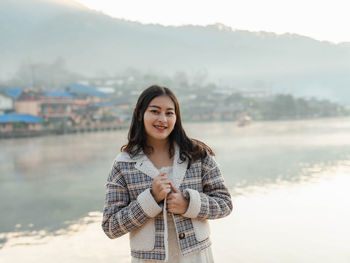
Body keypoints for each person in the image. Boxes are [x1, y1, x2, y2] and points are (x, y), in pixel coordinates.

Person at [102, 85, 233, 262]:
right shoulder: (123, 164)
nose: (162, 119)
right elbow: (111, 227)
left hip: (197, 257)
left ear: (176, 117)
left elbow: (225, 204)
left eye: (169, 113)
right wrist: (150, 199)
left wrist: (188, 204)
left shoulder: (198, 155)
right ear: (139, 114)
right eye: (155, 111)